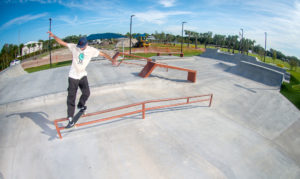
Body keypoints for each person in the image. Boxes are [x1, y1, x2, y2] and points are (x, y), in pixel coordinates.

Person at [47, 31, 114, 128]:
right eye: (80, 46)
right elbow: (62, 42)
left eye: (82, 47)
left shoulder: (91, 50)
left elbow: (103, 54)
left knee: (86, 93)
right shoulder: (74, 46)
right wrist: (54, 36)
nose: (80, 48)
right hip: (73, 76)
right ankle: (70, 117)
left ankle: (81, 104)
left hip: (82, 75)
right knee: (71, 97)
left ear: (86, 44)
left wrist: (111, 60)